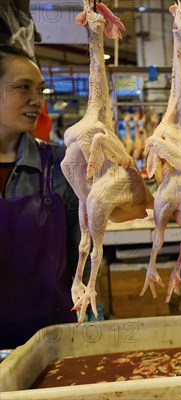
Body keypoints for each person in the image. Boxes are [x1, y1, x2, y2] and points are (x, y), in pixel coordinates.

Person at [0, 45, 79, 349]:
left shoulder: (61, 167)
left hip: (52, 346)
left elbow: (77, 262)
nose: (37, 100)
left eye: (41, 90)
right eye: (23, 88)